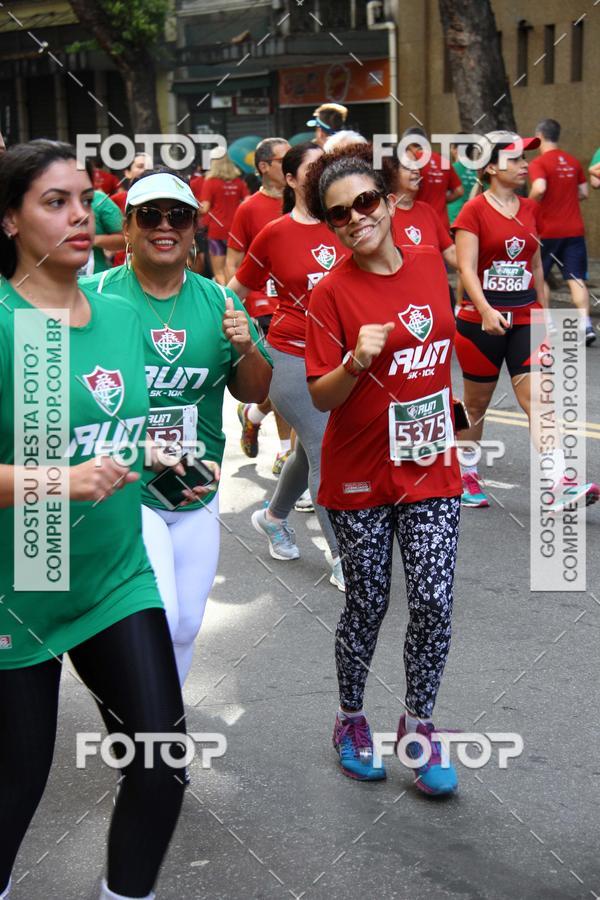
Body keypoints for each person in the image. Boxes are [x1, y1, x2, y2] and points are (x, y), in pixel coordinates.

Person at [0, 140, 190, 900]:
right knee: (15, 792)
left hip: (114, 576)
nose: (81, 215)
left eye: (84, 199)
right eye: (55, 202)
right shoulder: (6, 323)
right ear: (9, 221)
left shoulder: (116, 314)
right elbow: (63, 465)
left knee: (161, 761)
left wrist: (155, 452)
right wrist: (61, 481)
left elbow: (108, 427)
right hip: (21, 586)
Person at [303, 147, 461, 794]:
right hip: (360, 474)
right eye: (340, 214)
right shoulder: (331, 292)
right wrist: (357, 361)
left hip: (430, 465)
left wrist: (444, 402)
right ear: (333, 226)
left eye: (366, 202)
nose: (356, 218)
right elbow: (320, 396)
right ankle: (349, 718)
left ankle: (419, 726)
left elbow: (439, 346)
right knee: (367, 604)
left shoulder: (428, 265)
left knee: (434, 600)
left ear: (389, 202)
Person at [82, 169, 272, 684]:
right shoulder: (92, 296)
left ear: (193, 230)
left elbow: (256, 393)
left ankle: (162, 729)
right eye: (150, 215)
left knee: (187, 625)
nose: (164, 226)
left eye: (179, 216)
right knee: (159, 614)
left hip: (195, 486)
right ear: (127, 226)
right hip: (124, 488)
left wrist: (247, 347)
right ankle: (151, 739)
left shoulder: (220, 302)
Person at [453, 131, 599, 510]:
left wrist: (544, 315)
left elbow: (535, 265)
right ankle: (466, 471)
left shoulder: (531, 209)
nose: (524, 166)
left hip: (526, 318)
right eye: (515, 159)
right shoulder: (473, 211)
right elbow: (466, 269)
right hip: (480, 321)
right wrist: (484, 309)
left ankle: (558, 482)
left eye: (524, 159)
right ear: (489, 167)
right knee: (476, 405)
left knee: (541, 399)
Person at [228, 142, 347, 589]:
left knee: (306, 452)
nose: (323, 174)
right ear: (293, 179)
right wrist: (247, 346)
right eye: (312, 168)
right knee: (325, 453)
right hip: (292, 356)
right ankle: (342, 557)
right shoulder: (276, 233)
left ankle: (274, 516)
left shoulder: (346, 222)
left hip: (342, 360)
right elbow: (233, 290)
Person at [226, 137, 293, 475]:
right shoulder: (249, 208)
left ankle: (252, 415)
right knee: (281, 379)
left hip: (301, 306)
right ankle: (285, 451)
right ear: (264, 166)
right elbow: (233, 262)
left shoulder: (305, 207)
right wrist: (236, 309)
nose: (292, 163)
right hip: (264, 307)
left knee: (292, 382)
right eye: (284, 159)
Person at [528, 118, 595, 345]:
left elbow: (539, 188)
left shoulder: (539, 163)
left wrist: (528, 206)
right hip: (574, 229)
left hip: (548, 231)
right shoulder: (573, 161)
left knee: (540, 275)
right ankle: (585, 324)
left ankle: (548, 322)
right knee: (575, 277)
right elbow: (584, 193)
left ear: (540, 137)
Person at [200, 149, 249, 284]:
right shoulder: (239, 182)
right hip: (236, 231)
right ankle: (235, 296)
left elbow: (204, 208)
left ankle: (225, 299)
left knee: (219, 271)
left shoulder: (210, 182)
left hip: (217, 231)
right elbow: (248, 202)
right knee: (234, 268)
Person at [403, 127, 463, 232]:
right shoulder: (443, 161)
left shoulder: (412, 162)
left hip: (419, 223)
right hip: (442, 224)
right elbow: (459, 191)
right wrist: (442, 200)